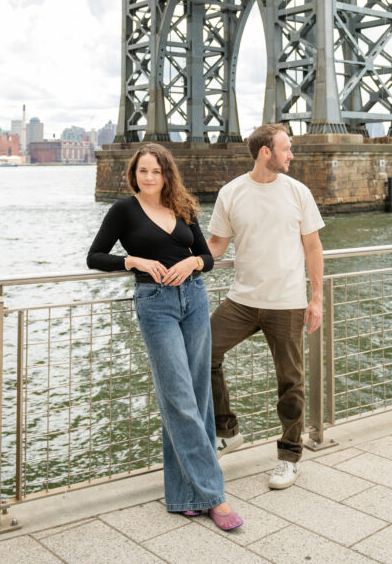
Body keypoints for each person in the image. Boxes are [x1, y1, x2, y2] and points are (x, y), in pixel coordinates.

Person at [86, 143, 243, 531]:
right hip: (155, 304)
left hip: (194, 297)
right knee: (177, 397)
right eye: (143, 171)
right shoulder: (124, 210)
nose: (150, 177)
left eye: (156, 171)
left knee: (198, 396)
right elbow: (94, 256)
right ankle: (213, 495)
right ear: (134, 174)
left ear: (166, 173)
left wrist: (192, 260)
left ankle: (185, 494)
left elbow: (208, 258)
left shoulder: (184, 207)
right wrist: (133, 260)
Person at [207, 123, 324, 490]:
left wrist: (316, 297)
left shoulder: (298, 192)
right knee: (202, 351)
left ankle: (289, 457)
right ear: (265, 152)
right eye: (286, 148)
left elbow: (313, 247)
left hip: (287, 303)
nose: (291, 155)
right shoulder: (231, 193)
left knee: (290, 382)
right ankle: (227, 431)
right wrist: (183, 262)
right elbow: (216, 245)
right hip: (241, 301)